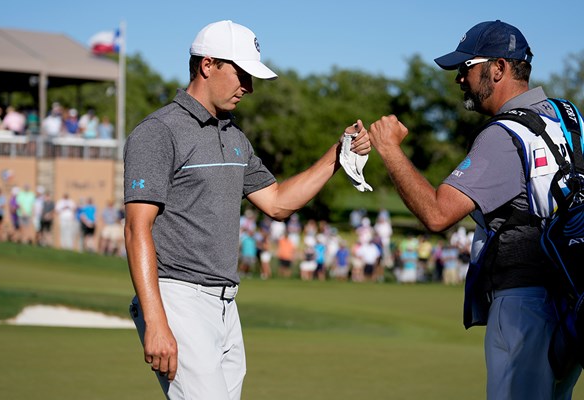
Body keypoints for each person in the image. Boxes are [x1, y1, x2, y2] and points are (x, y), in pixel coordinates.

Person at [123, 20, 370, 400]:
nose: (249, 88)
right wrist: (156, 320)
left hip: (226, 306)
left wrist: (338, 155)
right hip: (178, 299)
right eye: (242, 74)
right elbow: (137, 228)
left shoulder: (234, 136)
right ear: (208, 65)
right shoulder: (159, 131)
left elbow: (276, 203)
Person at [368, 20, 581, 399]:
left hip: (525, 304)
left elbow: (437, 214)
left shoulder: (504, 135)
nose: (460, 80)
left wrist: (389, 149)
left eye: (466, 68)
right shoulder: (571, 118)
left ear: (497, 68)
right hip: (570, 300)